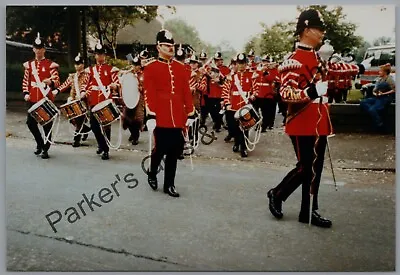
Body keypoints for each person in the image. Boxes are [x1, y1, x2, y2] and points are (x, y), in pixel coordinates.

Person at [144, 29, 196, 197]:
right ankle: (152, 172)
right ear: (158, 47)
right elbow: (149, 92)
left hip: (177, 116)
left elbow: (185, 92)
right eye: (166, 45)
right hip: (161, 114)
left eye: (171, 45)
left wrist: (190, 111)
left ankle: (169, 185)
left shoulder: (180, 68)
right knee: (160, 149)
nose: (170, 48)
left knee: (174, 151)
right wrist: (151, 114)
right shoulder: (151, 68)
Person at [22, 33, 60, 159]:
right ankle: (40, 143)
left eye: (40, 48)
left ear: (44, 49)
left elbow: (57, 80)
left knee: (47, 125)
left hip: (45, 99)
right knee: (30, 123)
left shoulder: (50, 65)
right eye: (36, 48)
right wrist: (26, 93)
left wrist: (51, 82)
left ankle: (46, 149)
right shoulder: (29, 65)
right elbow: (26, 81)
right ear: (33, 49)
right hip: (32, 99)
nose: (38, 51)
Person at [82, 42, 120, 160]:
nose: (100, 57)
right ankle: (102, 144)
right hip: (93, 101)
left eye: (101, 54)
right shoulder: (90, 70)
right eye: (98, 54)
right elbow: (84, 84)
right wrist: (83, 92)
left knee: (106, 126)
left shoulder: (110, 69)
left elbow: (117, 83)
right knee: (94, 126)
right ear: (95, 56)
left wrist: (115, 85)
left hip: (105, 100)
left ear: (105, 55)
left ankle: (105, 149)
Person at [222, 53, 258, 158]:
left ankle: (243, 148)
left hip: (245, 107)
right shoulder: (231, 77)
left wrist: (253, 96)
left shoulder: (251, 76)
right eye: (239, 63)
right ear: (236, 64)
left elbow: (255, 90)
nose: (241, 65)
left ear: (246, 64)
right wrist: (227, 103)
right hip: (233, 106)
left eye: (243, 63)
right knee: (235, 128)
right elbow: (225, 92)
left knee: (245, 128)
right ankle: (237, 143)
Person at [52, 53, 91, 147]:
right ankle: (85, 129)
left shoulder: (87, 75)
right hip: (72, 101)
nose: (78, 66)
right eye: (76, 64)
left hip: (83, 101)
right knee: (71, 119)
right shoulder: (72, 76)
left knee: (79, 120)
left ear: (83, 64)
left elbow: (86, 86)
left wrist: (82, 94)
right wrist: (56, 91)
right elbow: (65, 85)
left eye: (80, 64)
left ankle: (76, 140)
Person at [360, 63, 395, 132]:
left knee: (372, 110)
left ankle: (379, 123)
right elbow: (374, 90)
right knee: (363, 102)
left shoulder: (389, 79)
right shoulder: (379, 80)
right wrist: (375, 93)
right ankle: (376, 114)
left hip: (385, 98)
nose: (379, 72)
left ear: (385, 72)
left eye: (381, 71)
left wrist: (384, 93)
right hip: (377, 97)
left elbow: (394, 89)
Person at [122, 54, 145, 145]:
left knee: (136, 120)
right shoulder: (129, 73)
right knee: (127, 118)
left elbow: (146, 88)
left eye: (137, 65)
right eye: (134, 65)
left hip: (139, 99)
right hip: (129, 98)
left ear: (140, 66)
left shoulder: (143, 75)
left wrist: (141, 86)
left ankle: (136, 136)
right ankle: (133, 133)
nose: (135, 67)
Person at [206, 51, 230, 132]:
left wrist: (219, 79)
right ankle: (217, 122)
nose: (217, 62)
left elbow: (227, 80)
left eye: (219, 60)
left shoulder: (225, 69)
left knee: (220, 111)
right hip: (211, 93)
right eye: (216, 60)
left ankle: (218, 125)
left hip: (220, 93)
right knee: (212, 111)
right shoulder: (210, 68)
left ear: (221, 60)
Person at [254, 55, 279, 131]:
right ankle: (259, 123)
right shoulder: (259, 69)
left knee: (267, 111)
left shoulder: (272, 70)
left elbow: (271, 79)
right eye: (264, 61)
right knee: (256, 109)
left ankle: (265, 125)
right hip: (259, 93)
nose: (265, 63)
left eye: (266, 62)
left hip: (268, 93)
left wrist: (264, 73)